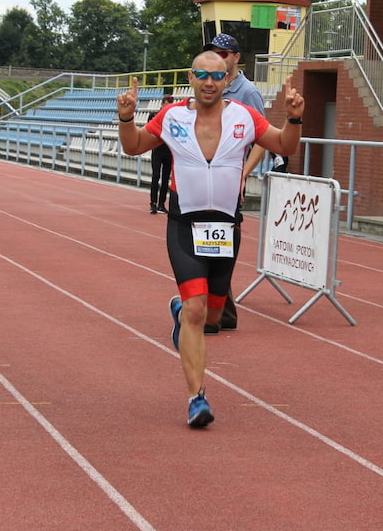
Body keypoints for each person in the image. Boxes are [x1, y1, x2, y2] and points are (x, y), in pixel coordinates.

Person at [117, 51, 304, 427]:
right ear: (191, 76)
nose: (208, 82)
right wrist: (126, 117)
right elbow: (133, 146)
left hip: (224, 227)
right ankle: (196, 398)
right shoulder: (172, 117)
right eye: (201, 74)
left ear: (227, 80)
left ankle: (180, 311)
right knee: (198, 309)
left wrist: (294, 117)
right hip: (184, 223)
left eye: (216, 76)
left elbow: (284, 146)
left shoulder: (244, 117)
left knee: (212, 317)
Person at [201, 33, 267, 334]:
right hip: (203, 180)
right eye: (213, 52)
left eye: (224, 54)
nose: (220, 57)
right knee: (205, 244)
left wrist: (243, 173)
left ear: (236, 57)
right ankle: (220, 311)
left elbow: (262, 140)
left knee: (217, 245)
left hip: (229, 183)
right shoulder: (208, 86)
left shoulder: (247, 92)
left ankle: (219, 312)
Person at [148, 94, 175, 213]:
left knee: (165, 179)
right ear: (162, 104)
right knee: (156, 176)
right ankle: (153, 203)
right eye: (167, 104)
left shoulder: (174, 117)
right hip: (157, 150)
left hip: (168, 151)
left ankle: (161, 204)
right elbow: (150, 131)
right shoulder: (154, 115)